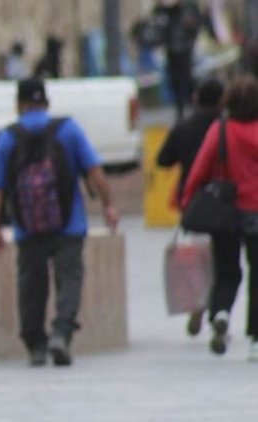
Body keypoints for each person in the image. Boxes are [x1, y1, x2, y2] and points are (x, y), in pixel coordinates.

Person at [0, 78, 119, 367]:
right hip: (69, 224)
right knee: (69, 279)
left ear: (19, 104)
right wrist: (108, 206)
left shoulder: (8, 137)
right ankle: (61, 333)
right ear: (46, 102)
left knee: (31, 285)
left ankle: (35, 345)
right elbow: (95, 172)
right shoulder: (68, 129)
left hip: (27, 226)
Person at [181, 74, 258, 362]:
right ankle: (255, 339)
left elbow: (200, 169)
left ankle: (221, 314)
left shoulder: (222, 129)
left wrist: (187, 202)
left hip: (226, 212)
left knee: (227, 270)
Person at [157, 78, 224, 337]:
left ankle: (198, 302)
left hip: (192, 202)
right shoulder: (225, 128)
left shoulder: (184, 127)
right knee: (224, 259)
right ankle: (217, 309)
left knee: (196, 256)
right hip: (225, 202)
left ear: (196, 98)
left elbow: (163, 160)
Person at [151, 0, 202, 122]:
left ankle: (192, 108)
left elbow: (195, 25)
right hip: (171, 51)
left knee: (188, 80)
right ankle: (180, 110)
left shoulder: (188, 7)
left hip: (185, 50)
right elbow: (158, 28)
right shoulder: (162, 10)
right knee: (175, 82)